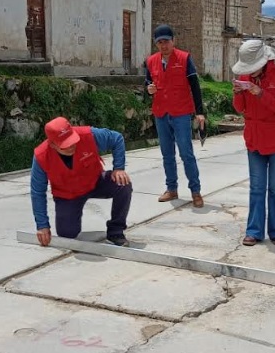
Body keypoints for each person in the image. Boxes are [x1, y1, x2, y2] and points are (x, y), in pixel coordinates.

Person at [231, 40, 275, 247]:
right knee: (257, 187)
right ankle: (254, 231)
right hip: (255, 140)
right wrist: (237, 93)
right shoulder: (245, 78)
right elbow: (240, 108)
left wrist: (260, 93)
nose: (249, 72)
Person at [30, 116, 132, 247]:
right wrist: (42, 225)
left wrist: (119, 168)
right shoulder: (41, 156)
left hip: (95, 182)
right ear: (53, 144)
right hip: (68, 195)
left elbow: (117, 138)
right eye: (65, 146)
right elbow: (37, 192)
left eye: (72, 141)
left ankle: (116, 232)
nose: (71, 147)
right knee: (67, 234)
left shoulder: (88, 135)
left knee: (123, 183)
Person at [144, 24, 206, 208]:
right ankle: (171, 189)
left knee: (186, 153)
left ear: (173, 41)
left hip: (181, 112)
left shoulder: (185, 58)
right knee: (167, 153)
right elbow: (147, 83)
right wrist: (148, 89)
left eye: (166, 41)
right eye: (160, 42)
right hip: (161, 112)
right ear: (156, 44)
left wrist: (200, 112)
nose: (163, 45)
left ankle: (195, 191)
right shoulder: (151, 61)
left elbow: (195, 86)